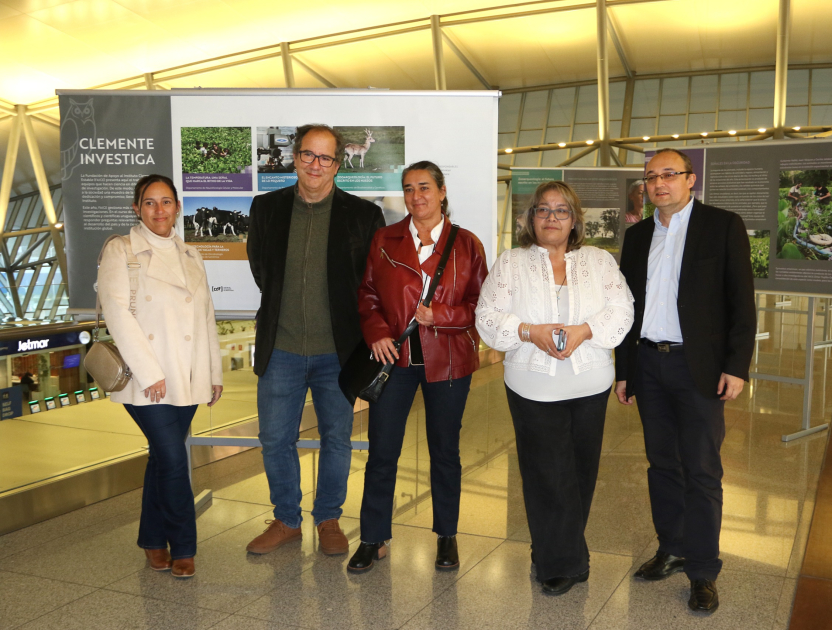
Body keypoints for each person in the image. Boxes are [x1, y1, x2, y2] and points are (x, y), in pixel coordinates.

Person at [614, 148, 755, 613]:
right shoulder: (636, 236)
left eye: (669, 175)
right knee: (661, 464)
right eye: (651, 177)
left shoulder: (721, 225)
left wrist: (736, 365)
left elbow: (741, 302)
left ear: (690, 180)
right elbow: (626, 309)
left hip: (698, 367)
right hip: (649, 364)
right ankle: (671, 548)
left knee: (701, 469)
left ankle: (702, 569)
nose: (659, 184)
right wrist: (624, 370)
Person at [476, 181, 634, 595]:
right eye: (543, 210)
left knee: (581, 472)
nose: (551, 218)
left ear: (575, 220)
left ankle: (555, 548)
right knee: (547, 474)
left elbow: (623, 308)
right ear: (530, 219)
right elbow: (487, 316)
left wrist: (585, 330)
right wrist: (529, 331)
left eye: (561, 210)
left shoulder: (598, 261)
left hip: (590, 382)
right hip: (532, 386)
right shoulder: (511, 263)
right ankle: (559, 562)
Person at [246, 124, 384, 556]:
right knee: (274, 439)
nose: (315, 165)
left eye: (325, 158)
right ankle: (286, 519)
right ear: (295, 157)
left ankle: (328, 518)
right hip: (281, 348)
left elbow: (371, 282)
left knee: (337, 439)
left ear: (338, 164)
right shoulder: (265, 208)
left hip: (338, 353)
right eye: (308, 155)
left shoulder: (363, 215)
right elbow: (260, 268)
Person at [347, 161, 488, 573]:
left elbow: (482, 305)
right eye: (408, 189)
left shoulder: (467, 244)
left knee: (445, 452)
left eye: (424, 187)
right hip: (395, 359)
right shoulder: (385, 239)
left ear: (442, 192)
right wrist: (375, 331)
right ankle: (373, 537)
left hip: (449, 362)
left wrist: (441, 315)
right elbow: (368, 294)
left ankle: (447, 536)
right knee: (382, 451)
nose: (416, 196)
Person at [97, 174, 224, 579]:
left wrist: (212, 372)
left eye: (166, 202)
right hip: (145, 378)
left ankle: (152, 539)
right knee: (172, 459)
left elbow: (206, 318)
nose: (159, 210)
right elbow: (117, 315)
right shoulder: (121, 250)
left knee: (160, 460)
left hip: (187, 378)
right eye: (149, 203)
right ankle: (183, 546)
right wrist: (150, 372)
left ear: (177, 207)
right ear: (137, 208)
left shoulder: (191, 255)